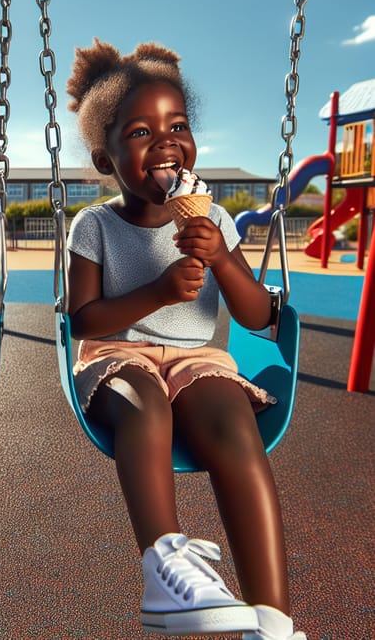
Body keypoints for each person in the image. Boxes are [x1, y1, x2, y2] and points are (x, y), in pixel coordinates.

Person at [65, 39, 305, 640]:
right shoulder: (93, 225)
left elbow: (255, 316)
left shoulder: (215, 221)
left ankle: (272, 619)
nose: (166, 141)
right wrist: (161, 291)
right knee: (143, 405)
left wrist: (222, 259)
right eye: (142, 132)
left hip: (197, 360)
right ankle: (165, 563)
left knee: (233, 423)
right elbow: (83, 321)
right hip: (118, 354)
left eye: (178, 126)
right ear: (106, 158)